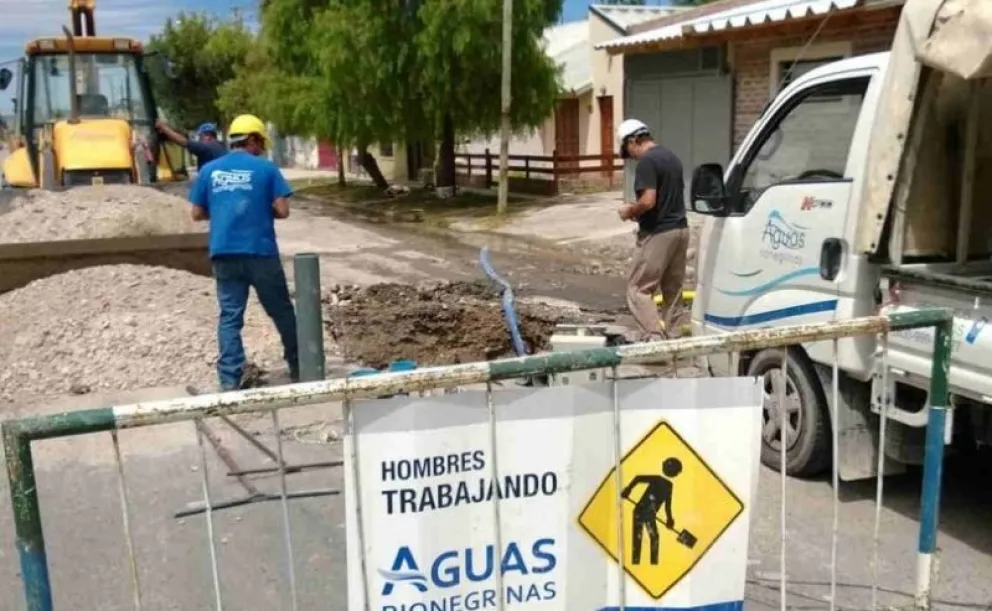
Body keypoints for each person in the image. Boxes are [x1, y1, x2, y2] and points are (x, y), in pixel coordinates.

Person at [188, 114, 299, 391]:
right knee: (282, 311)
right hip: (260, 252)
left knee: (230, 317)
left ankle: (229, 380)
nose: (262, 148)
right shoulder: (266, 169)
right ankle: (300, 365)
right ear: (250, 139)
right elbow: (283, 211)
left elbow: (196, 213)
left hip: (224, 253)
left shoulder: (209, 171)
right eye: (260, 141)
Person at [616, 118, 691, 342]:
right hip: (681, 230)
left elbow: (648, 200)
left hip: (659, 233)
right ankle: (677, 339)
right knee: (673, 290)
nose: (631, 157)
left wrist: (631, 210)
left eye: (628, 151)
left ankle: (653, 339)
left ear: (633, 141)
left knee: (638, 289)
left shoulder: (647, 162)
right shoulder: (671, 158)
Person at [621, 457, 683, 566]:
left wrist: (669, 519)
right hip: (641, 511)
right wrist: (628, 489)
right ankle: (639, 563)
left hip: (648, 513)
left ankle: (650, 563)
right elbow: (638, 478)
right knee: (642, 538)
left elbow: (667, 506)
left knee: (649, 538)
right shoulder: (660, 481)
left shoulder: (668, 485)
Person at [157, 119, 228, 170]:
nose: (199, 139)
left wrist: (163, 127)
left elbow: (183, 141)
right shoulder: (221, 146)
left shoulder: (205, 147)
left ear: (206, 136)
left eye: (200, 136)